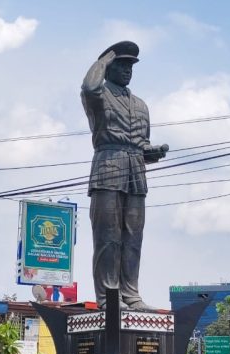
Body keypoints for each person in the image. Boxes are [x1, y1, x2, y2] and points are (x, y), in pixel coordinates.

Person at [81, 41, 169, 310]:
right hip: (107, 167)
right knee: (108, 237)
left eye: (130, 66)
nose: (127, 70)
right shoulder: (98, 95)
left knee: (133, 237)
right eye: (121, 64)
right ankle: (109, 297)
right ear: (108, 68)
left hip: (136, 174)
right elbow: (89, 87)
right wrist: (103, 61)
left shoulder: (141, 105)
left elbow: (142, 143)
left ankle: (131, 294)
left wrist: (152, 151)